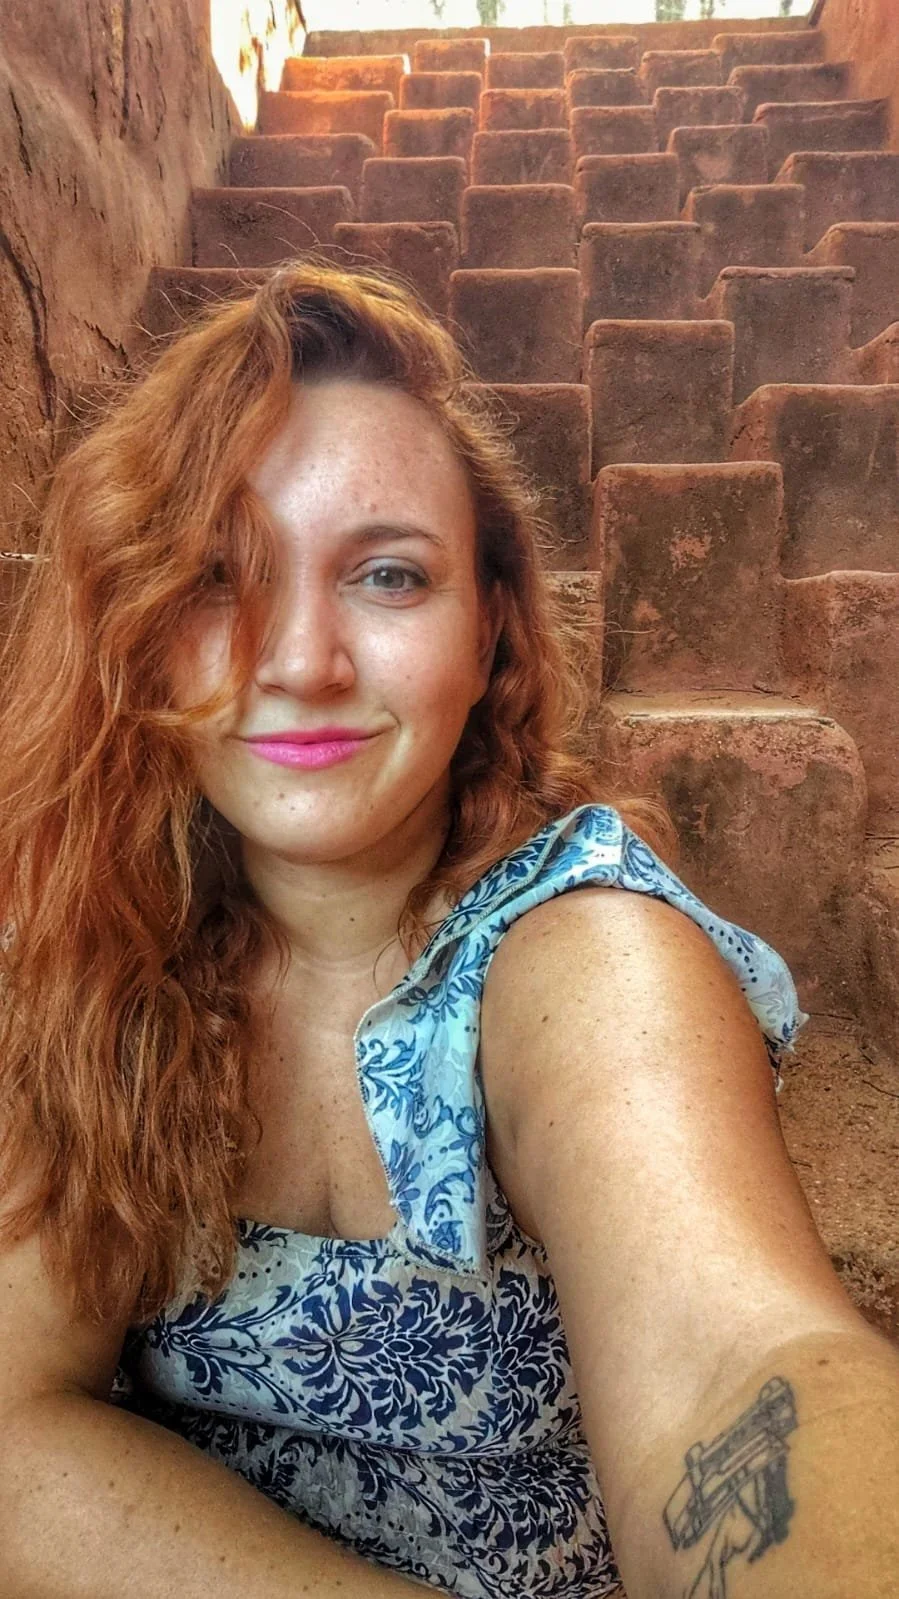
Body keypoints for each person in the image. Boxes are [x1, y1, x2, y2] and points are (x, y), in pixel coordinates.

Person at [0, 260, 897, 1599]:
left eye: (386, 573)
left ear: (492, 633)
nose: (300, 657)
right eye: (215, 573)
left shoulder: (587, 951)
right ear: (134, 630)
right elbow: (18, 1421)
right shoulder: (98, 933)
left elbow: (745, 1357)